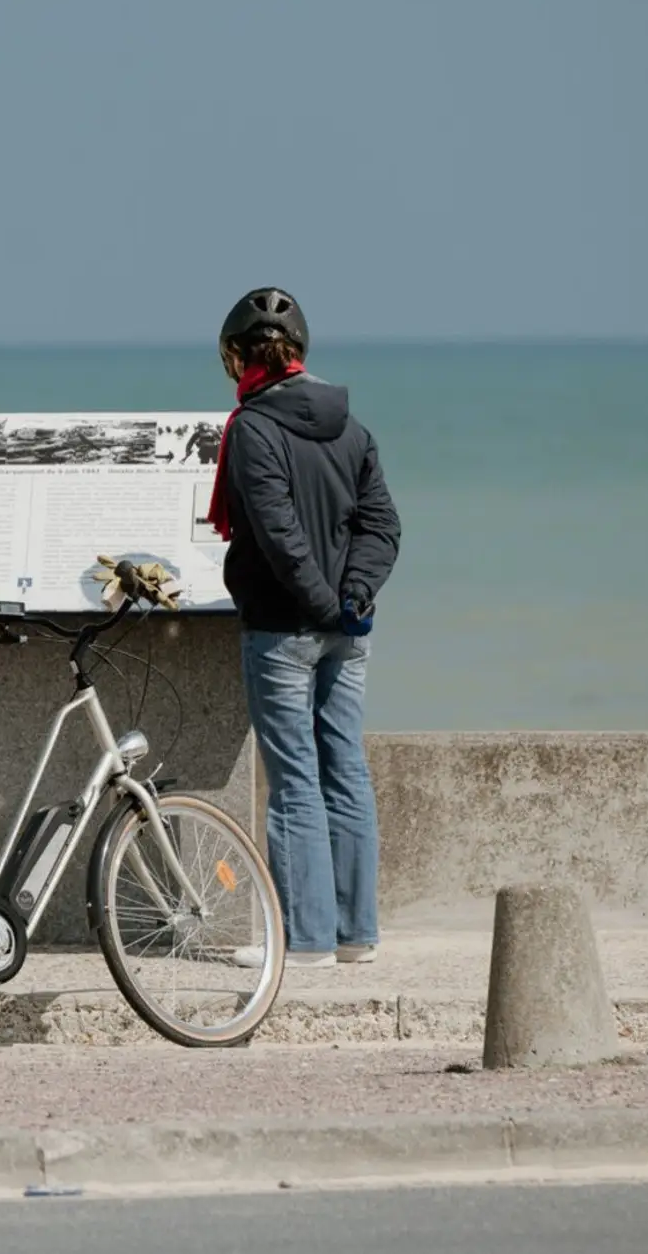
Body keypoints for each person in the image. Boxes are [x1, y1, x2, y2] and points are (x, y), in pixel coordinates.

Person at [206, 288, 401, 969]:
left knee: (293, 781)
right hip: (347, 629)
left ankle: (305, 940)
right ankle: (356, 937)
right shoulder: (352, 429)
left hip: (283, 628)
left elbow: (279, 534)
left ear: (238, 358)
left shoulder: (254, 430)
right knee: (345, 767)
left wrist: (322, 601)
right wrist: (352, 596)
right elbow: (382, 527)